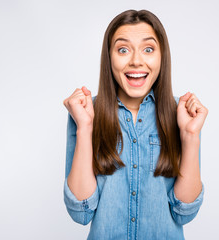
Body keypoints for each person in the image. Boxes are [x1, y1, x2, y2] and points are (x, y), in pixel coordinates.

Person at [62, 9, 208, 240]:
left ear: (162, 57)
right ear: (109, 57)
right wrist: (85, 127)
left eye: (148, 49)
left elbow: (184, 213)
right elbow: (81, 212)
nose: (136, 60)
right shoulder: (85, 113)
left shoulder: (183, 114)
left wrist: (190, 136)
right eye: (123, 49)